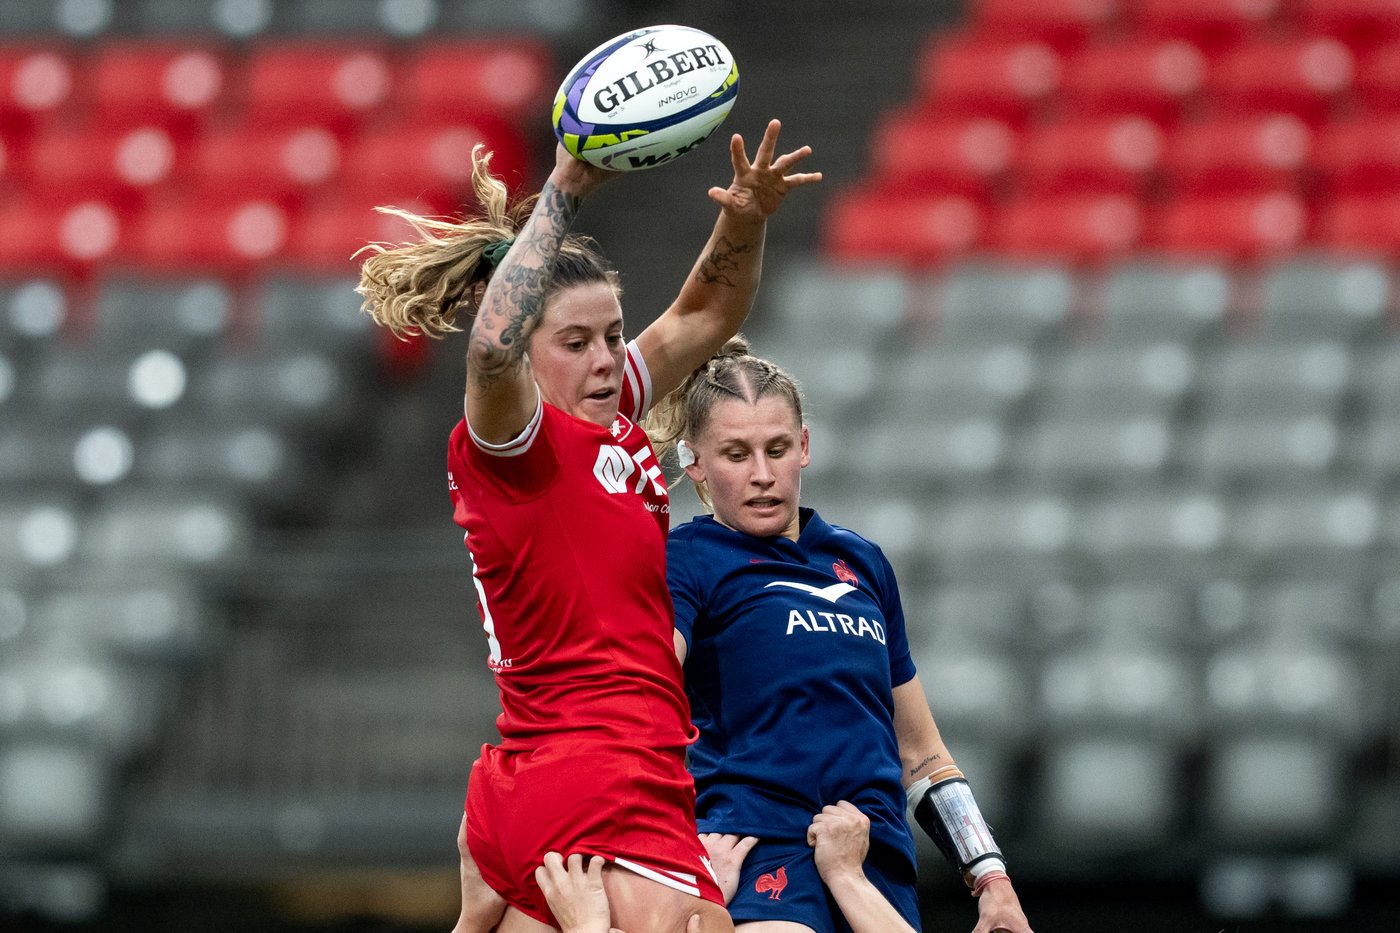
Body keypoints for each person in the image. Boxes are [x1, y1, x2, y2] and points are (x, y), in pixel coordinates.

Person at [356, 120, 820, 933]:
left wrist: (744, 216)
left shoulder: (610, 420)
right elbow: (491, 352)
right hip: (604, 769)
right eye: (577, 342)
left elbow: (702, 315)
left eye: (611, 334)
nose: (608, 357)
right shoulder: (516, 448)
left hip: (545, 775)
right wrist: (564, 188)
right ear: (533, 359)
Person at [650, 339, 1035, 933]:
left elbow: (924, 756)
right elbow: (640, 706)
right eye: (735, 453)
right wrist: (677, 861)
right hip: (758, 849)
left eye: (776, 449)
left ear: (804, 446)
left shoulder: (862, 562)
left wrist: (992, 880)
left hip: (872, 856)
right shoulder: (687, 558)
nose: (761, 474)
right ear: (694, 461)